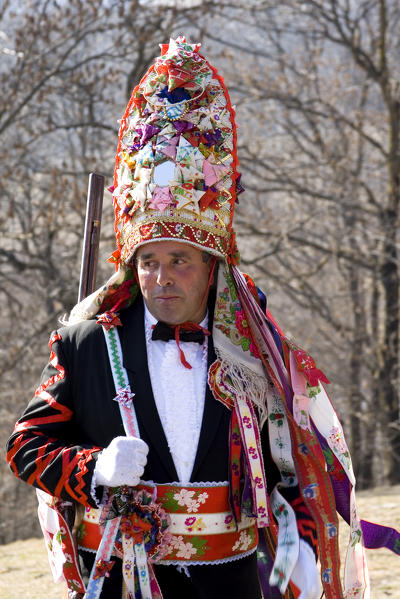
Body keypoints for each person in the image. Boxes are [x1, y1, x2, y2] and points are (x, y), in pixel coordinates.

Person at [6, 37, 399, 599]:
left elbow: (288, 463)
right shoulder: (86, 342)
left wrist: (302, 550)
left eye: (179, 261)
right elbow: (25, 446)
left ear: (211, 266)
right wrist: (92, 468)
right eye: (148, 261)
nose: (161, 277)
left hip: (233, 584)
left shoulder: (254, 346)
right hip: (121, 583)